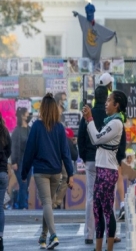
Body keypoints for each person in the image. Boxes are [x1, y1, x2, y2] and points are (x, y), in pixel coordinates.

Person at [21, 93, 74, 250]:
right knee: (48, 204)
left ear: (42, 109)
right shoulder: (59, 128)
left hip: (41, 171)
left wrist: (24, 173)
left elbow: (29, 151)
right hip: (56, 171)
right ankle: (43, 237)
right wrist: (70, 173)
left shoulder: (37, 126)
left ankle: (53, 235)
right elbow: (66, 153)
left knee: (46, 203)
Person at [82, 90, 128, 251]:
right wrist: (89, 120)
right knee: (98, 210)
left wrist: (89, 119)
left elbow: (96, 138)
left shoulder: (116, 123)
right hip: (102, 169)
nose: (106, 104)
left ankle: (107, 248)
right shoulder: (111, 121)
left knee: (107, 211)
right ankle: (98, 247)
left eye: (109, 101)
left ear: (117, 105)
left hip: (108, 171)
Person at [77, 86, 108, 245]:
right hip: (106, 160)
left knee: (90, 196)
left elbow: (81, 137)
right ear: (107, 97)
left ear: (95, 97)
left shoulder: (88, 114)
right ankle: (107, 233)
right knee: (106, 197)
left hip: (90, 159)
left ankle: (89, 234)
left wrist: (83, 156)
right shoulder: (109, 115)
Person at [11, 107, 31, 209]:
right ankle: (23, 206)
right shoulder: (16, 131)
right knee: (23, 183)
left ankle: (22, 204)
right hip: (20, 161)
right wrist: (14, 161)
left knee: (26, 185)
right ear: (23, 116)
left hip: (29, 162)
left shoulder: (30, 129)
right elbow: (13, 147)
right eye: (27, 113)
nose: (29, 115)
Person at [0, 113, 11, 251]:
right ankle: (0, 238)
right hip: (2, 173)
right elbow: (8, 151)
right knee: (0, 209)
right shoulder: (4, 131)